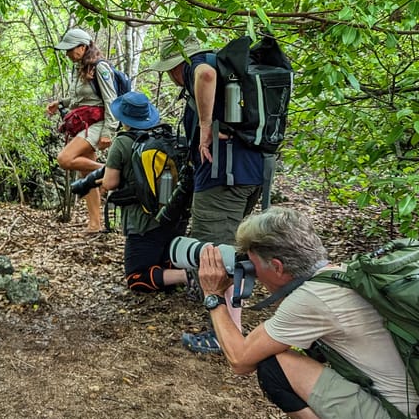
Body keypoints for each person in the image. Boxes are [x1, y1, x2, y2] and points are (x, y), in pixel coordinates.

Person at [197, 207, 419, 419]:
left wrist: (214, 295)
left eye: (253, 266)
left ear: (278, 267)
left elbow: (240, 360)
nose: (255, 275)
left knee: (273, 367)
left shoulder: (311, 299)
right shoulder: (341, 274)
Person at [152, 36, 263, 352]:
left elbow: (205, 77)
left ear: (179, 64)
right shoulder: (232, 75)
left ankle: (225, 335)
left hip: (222, 178)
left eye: (172, 70)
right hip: (246, 174)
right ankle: (228, 327)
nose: (173, 78)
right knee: (226, 248)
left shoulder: (203, 66)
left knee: (214, 253)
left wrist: (203, 127)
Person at [99, 91, 189, 293]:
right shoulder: (165, 137)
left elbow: (110, 182)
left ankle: (189, 276)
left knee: (136, 278)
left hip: (143, 223)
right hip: (175, 218)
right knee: (164, 263)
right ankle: (178, 273)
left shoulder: (122, 142)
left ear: (124, 119)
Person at [46, 28, 119, 233]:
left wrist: (108, 132)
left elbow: (110, 100)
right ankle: (94, 224)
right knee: (87, 174)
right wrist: (60, 102)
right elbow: (80, 98)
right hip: (84, 123)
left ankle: (112, 172)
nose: (68, 53)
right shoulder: (80, 68)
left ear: (83, 47)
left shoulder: (100, 68)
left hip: (98, 124)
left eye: (71, 49)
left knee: (65, 159)